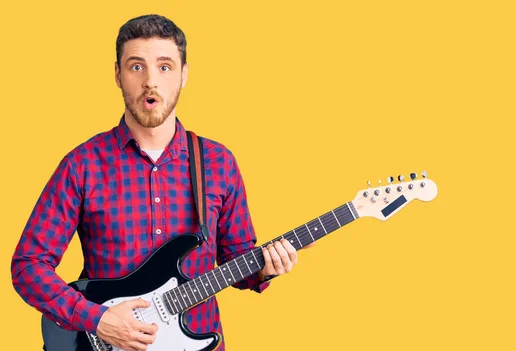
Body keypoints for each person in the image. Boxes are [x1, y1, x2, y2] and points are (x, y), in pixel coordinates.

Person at [11, 14, 305, 351]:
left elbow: (238, 262)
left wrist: (267, 267)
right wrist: (96, 319)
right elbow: (28, 266)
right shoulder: (83, 164)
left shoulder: (219, 163)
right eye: (137, 67)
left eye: (165, 66)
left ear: (184, 75)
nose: (151, 81)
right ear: (118, 75)